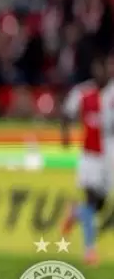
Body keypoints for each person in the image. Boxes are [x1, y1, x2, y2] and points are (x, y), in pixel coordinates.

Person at [60, 52, 114, 266]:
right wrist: (65, 137)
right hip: (90, 156)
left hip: (110, 156)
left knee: (99, 205)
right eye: (99, 68)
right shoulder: (82, 92)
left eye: (106, 68)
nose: (103, 72)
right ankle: (89, 250)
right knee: (92, 199)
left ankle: (76, 212)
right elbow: (66, 113)